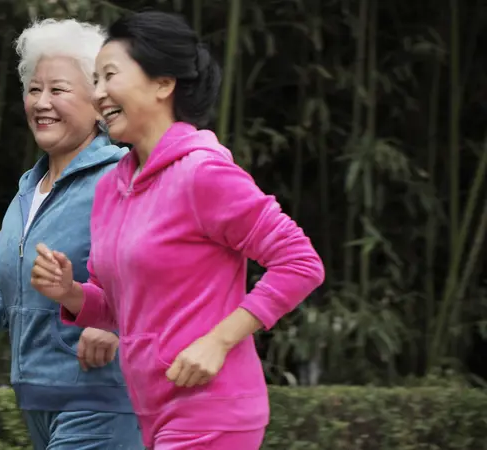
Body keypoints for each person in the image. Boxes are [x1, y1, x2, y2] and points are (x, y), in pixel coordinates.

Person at [29, 11, 325, 450]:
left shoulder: (203, 174)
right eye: (94, 80)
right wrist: (70, 292)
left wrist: (218, 342)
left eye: (109, 76)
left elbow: (300, 262)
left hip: (213, 410)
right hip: (152, 409)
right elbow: (121, 308)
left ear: (163, 84)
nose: (97, 94)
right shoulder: (114, 186)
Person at [0, 18, 144, 450]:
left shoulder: (123, 178)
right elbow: (17, 296)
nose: (41, 102)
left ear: (99, 102)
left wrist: (116, 328)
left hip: (102, 402)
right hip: (36, 401)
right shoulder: (29, 189)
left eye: (58, 90)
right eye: (33, 89)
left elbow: (167, 277)